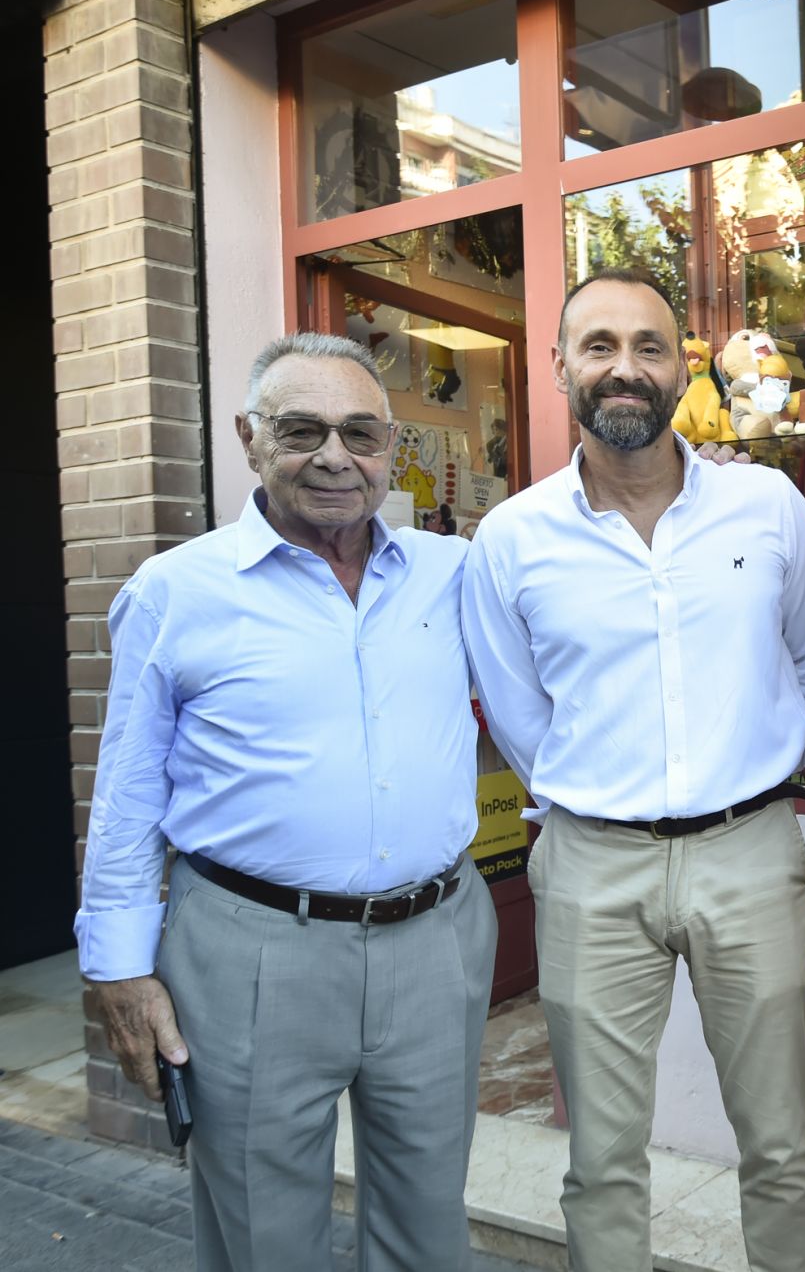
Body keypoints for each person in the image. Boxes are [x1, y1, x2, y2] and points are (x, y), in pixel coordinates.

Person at [77, 333, 497, 1272]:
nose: (335, 457)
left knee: (431, 1220)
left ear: (393, 447)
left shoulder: (452, 571)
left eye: (361, 433)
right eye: (301, 429)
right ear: (248, 438)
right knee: (265, 1232)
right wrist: (120, 967)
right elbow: (128, 789)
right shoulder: (176, 591)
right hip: (250, 950)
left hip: (437, 941)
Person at [460, 269, 805, 1272]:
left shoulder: (768, 508)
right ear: (560, 367)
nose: (624, 367)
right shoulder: (512, 542)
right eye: (599, 346)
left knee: (782, 1148)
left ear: (683, 364)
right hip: (590, 866)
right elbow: (520, 715)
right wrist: (604, 799)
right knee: (603, 1157)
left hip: (751, 853)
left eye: (649, 346)